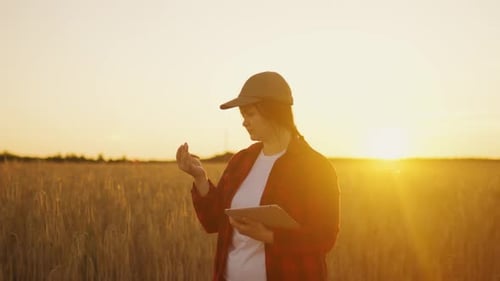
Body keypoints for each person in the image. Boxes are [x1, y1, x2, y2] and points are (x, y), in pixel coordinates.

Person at [176, 71, 340, 281]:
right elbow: (215, 222)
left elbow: (324, 237)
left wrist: (269, 236)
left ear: (273, 111)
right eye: (243, 115)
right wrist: (200, 178)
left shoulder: (315, 167)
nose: (244, 122)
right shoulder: (241, 161)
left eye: (250, 114)